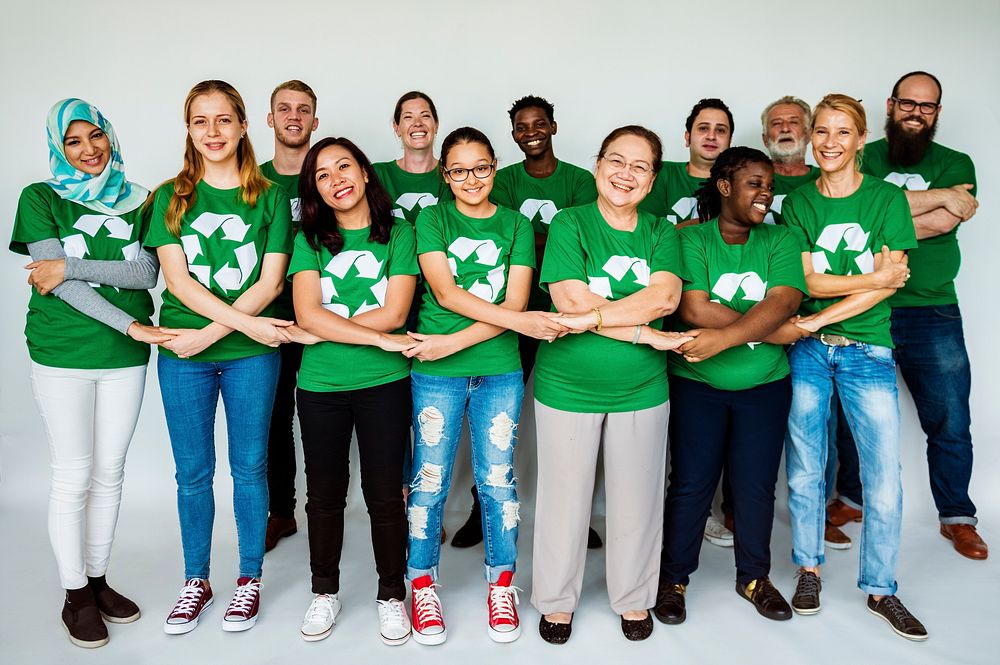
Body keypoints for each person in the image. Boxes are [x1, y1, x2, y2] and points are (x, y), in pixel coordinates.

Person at [10, 98, 170, 649]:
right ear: (59, 147)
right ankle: (74, 594)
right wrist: (127, 325)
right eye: (73, 142)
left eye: (95, 137)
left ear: (109, 136)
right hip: (62, 352)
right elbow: (55, 284)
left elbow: (146, 271)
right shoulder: (40, 197)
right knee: (72, 472)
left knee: (111, 471)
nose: (87, 151)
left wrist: (69, 265)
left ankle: (98, 580)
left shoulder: (142, 200)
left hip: (124, 359)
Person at [145, 80, 298, 635]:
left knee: (250, 466)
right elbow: (178, 282)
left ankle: (249, 578)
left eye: (223, 120)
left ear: (242, 126)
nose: (213, 132)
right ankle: (196, 579)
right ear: (188, 129)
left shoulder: (272, 196)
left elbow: (272, 279)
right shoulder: (169, 197)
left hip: (244, 356)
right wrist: (235, 328)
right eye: (200, 121)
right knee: (192, 472)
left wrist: (208, 336)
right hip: (185, 355)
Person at [403, 126, 563, 645]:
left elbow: (517, 305)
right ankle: (422, 582)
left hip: (498, 371)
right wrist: (448, 350)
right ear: (444, 174)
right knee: (429, 481)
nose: (471, 179)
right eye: (458, 170)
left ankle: (501, 584)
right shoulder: (431, 218)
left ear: (494, 167)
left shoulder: (516, 224)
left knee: (498, 481)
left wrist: (449, 344)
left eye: (481, 168)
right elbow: (445, 293)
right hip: (435, 376)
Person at [530, 125, 689, 644]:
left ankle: (634, 599)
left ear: (652, 179)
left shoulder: (663, 232)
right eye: (616, 161)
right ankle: (556, 602)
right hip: (567, 388)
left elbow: (664, 299)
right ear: (598, 166)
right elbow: (568, 299)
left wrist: (593, 319)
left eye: (639, 166)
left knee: (637, 500)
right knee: (564, 499)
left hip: (641, 389)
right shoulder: (570, 223)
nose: (626, 174)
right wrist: (642, 331)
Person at [782, 93, 927, 641]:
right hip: (810, 355)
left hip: (866, 350)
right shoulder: (798, 202)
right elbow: (811, 283)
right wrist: (877, 278)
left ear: (861, 140)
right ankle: (809, 568)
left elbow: (834, 296)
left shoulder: (887, 200)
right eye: (822, 131)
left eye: (843, 132)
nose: (830, 142)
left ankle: (881, 588)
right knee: (805, 465)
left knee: (883, 477)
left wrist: (820, 321)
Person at [828, 71, 986, 561]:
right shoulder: (861, 156)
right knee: (851, 417)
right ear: (890, 105)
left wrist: (882, 215)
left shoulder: (957, 162)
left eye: (927, 106)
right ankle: (850, 500)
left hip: (932, 309)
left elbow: (945, 219)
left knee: (950, 417)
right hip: (864, 307)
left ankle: (957, 516)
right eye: (908, 103)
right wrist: (938, 196)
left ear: (936, 113)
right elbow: (850, 219)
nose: (916, 112)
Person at [656, 147, 806, 626]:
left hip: (765, 386)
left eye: (769, 185)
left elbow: (784, 299)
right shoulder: (693, 240)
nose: (766, 193)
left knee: (756, 486)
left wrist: (725, 337)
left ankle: (754, 578)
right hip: (697, 385)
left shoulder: (781, 239)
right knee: (691, 484)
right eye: (754, 183)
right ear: (724, 186)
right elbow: (694, 308)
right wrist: (770, 329)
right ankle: (673, 578)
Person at [451, 94, 601, 550]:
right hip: (512, 314)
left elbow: (582, 243)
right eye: (521, 125)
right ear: (513, 134)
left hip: (569, 310)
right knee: (497, 417)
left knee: (576, 414)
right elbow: (501, 233)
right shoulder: (504, 180)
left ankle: (579, 514)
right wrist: (548, 240)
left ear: (553, 127)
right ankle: (483, 505)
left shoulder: (578, 180)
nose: (531, 131)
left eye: (539, 123)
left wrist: (542, 241)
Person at [289, 137, 419, 644]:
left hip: (385, 384)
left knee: (385, 494)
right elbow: (305, 314)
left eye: (344, 166)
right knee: (323, 494)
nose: (336, 178)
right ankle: (324, 591)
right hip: (319, 385)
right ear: (314, 190)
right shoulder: (309, 240)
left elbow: (395, 312)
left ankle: (392, 595)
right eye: (322, 175)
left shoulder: (400, 233)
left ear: (365, 172)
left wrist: (329, 327)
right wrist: (378, 340)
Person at [759, 95, 856, 551]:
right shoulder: (752, 173)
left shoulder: (829, 182)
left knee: (823, 422)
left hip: (814, 318)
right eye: (775, 123)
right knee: (760, 411)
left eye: (794, 122)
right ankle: (742, 508)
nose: (784, 129)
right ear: (764, 135)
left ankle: (822, 509)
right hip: (759, 306)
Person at [259, 79, 320, 553]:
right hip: (269, 319)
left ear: (315, 122)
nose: (293, 116)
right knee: (275, 417)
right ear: (269, 119)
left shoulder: (328, 176)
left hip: (325, 319)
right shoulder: (251, 181)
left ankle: (331, 506)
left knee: (325, 413)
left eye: (303, 109)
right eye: (284, 109)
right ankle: (282, 512)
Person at [639, 98, 733, 227]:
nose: (711, 136)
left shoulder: (741, 181)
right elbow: (648, 234)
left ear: (730, 140)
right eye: (703, 128)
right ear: (688, 137)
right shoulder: (661, 172)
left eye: (721, 130)